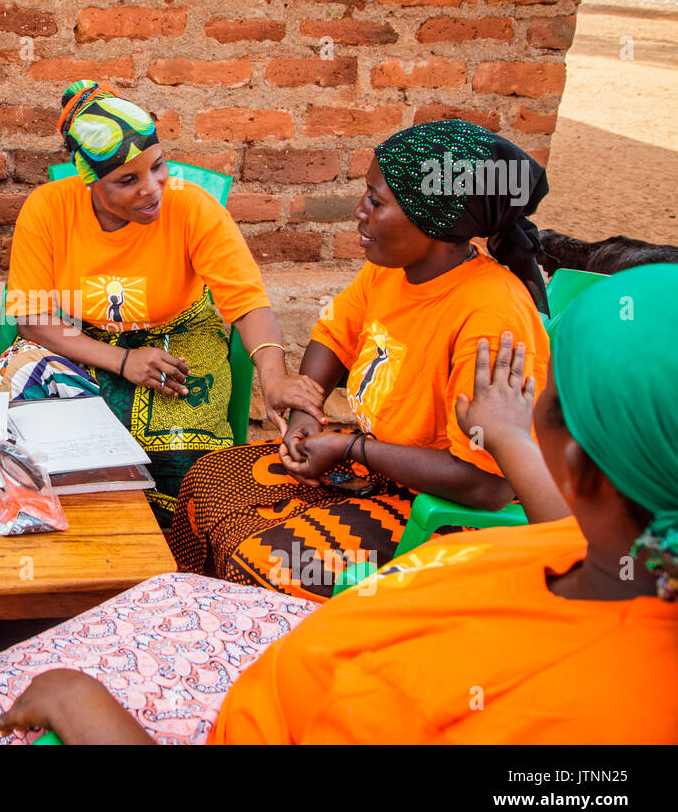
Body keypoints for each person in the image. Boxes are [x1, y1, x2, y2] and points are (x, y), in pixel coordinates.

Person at [0, 264, 678, 743]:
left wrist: (84, 707)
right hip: (293, 661)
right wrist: (516, 436)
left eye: (541, 394)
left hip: (255, 713)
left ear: (581, 466)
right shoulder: (605, 555)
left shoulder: (574, 718)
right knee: (172, 582)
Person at [169, 120, 551, 599]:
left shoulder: (491, 317)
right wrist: (307, 415)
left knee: (269, 563)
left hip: (443, 511)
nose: (359, 211)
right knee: (207, 481)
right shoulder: (392, 274)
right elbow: (333, 336)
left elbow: (487, 486)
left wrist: (350, 449)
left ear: (432, 222)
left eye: (377, 200)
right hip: (378, 469)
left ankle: (284, 658)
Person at [0, 80, 324, 524]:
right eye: (127, 180)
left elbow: (245, 301)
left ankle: (174, 556)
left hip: (182, 339)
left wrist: (274, 378)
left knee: (189, 461)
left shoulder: (193, 208)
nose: (152, 189)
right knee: (26, 400)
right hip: (87, 341)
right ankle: (67, 541)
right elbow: (32, 318)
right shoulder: (49, 208)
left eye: (158, 166)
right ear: (90, 181)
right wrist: (122, 360)